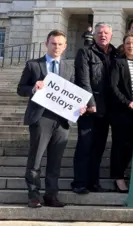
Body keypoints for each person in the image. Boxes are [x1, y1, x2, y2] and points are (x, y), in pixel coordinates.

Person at [17, 30, 86, 208]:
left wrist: (80, 105)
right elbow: (20, 88)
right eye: (53, 43)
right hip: (41, 118)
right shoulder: (33, 65)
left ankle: (51, 195)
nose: (56, 47)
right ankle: (33, 195)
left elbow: (73, 93)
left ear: (65, 46)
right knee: (36, 159)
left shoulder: (69, 68)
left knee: (55, 161)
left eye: (60, 44)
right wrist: (33, 87)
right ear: (46, 44)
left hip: (62, 121)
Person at [72, 22, 119, 194]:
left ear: (111, 35)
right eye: (99, 33)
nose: (103, 35)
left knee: (99, 147)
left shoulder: (115, 53)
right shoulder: (85, 52)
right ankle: (79, 183)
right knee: (85, 145)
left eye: (106, 33)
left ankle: (93, 182)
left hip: (107, 109)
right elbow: (83, 79)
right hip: (89, 108)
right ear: (95, 35)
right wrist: (90, 102)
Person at [109, 33, 133, 193]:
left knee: (132, 145)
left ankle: (126, 173)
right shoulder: (118, 63)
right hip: (123, 111)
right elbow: (113, 87)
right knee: (120, 145)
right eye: (128, 43)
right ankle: (118, 178)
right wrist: (127, 102)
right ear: (123, 46)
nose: (131, 46)